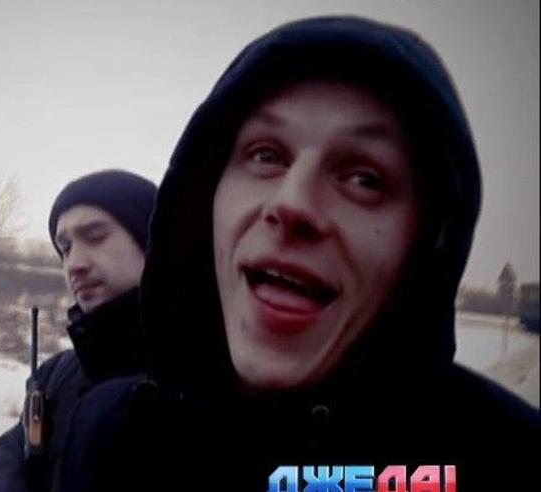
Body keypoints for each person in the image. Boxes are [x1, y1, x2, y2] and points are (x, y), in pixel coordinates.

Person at [59, 16, 539, 492]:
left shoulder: (508, 463)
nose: (292, 204)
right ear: (206, 195)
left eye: (365, 178)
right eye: (266, 155)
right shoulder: (109, 438)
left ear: (427, 241)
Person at [0, 169, 156, 492]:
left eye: (95, 237)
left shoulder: (211, 379)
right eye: (65, 248)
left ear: (152, 241)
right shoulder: (55, 375)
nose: (74, 264)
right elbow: (13, 450)